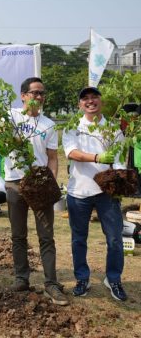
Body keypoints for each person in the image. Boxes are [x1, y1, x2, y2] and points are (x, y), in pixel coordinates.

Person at [4, 77, 68, 306]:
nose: (39, 97)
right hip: (14, 183)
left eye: (42, 93)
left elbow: (52, 158)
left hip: (40, 184)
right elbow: (1, 142)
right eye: (34, 93)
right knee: (18, 234)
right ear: (23, 95)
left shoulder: (48, 124)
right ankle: (21, 278)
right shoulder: (9, 117)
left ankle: (51, 283)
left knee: (46, 236)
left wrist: (50, 182)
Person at [62, 86, 127, 301]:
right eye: (85, 99)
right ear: (80, 104)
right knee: (79, 239)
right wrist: (98, 157)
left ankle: (113, 279)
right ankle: (82, 278)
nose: (90, 101)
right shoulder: (73, 126)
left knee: (115, 239)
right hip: (79, 191)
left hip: (107, 194)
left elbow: (120, 158)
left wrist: (118, 180)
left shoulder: (113, 127)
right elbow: (72, 153)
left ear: (101, 101)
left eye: (94, 97)